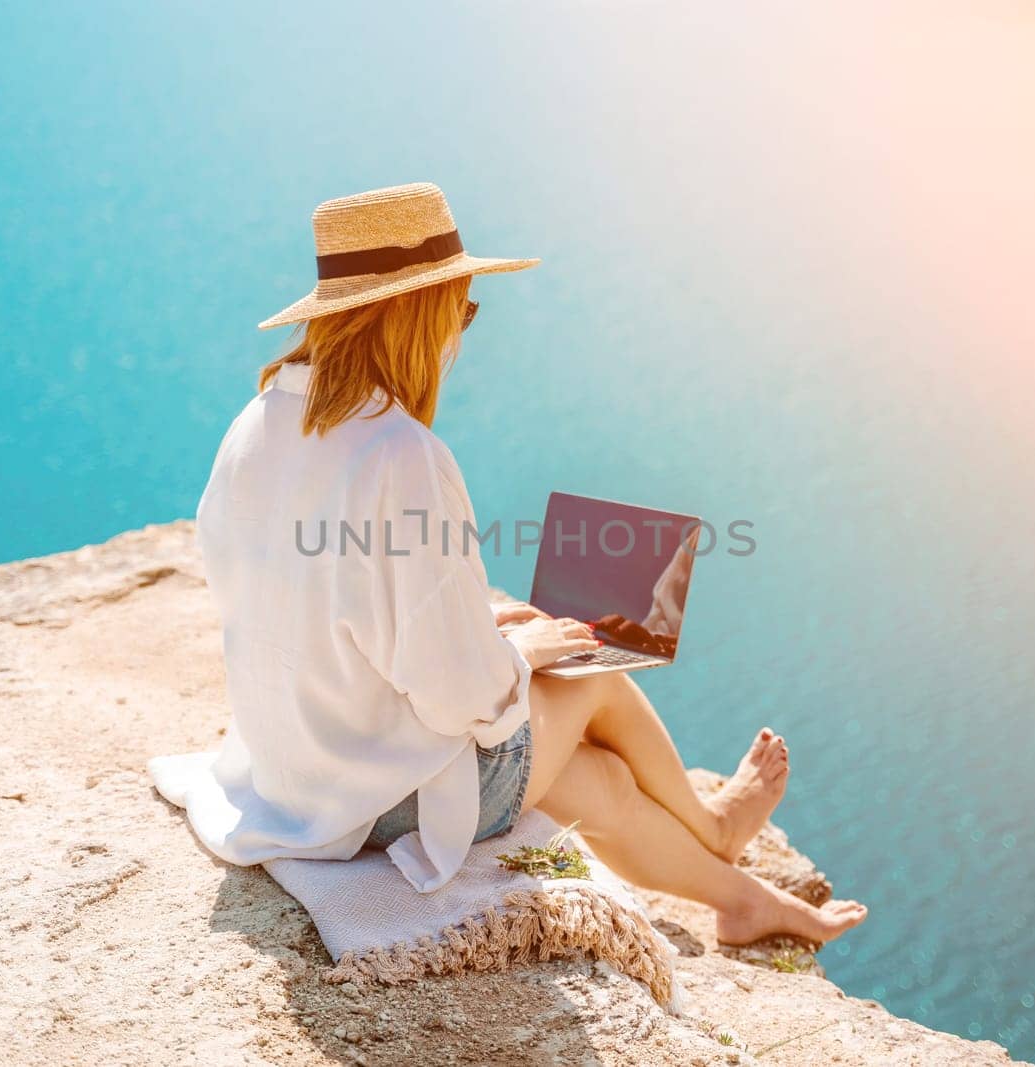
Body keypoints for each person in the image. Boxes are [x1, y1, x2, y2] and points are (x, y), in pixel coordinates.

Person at [156, 182, 866, 947]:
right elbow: (465, 700)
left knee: (596, 780)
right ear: (420, 312)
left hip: (295, 768)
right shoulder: (401, 455)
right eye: (462, 308)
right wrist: (517, 655)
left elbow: (313, 606)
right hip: (376, 798)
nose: (461, 332)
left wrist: (485, 628)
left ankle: (742, 899)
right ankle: (714, 824)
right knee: (591, 669)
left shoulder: (256, 425)